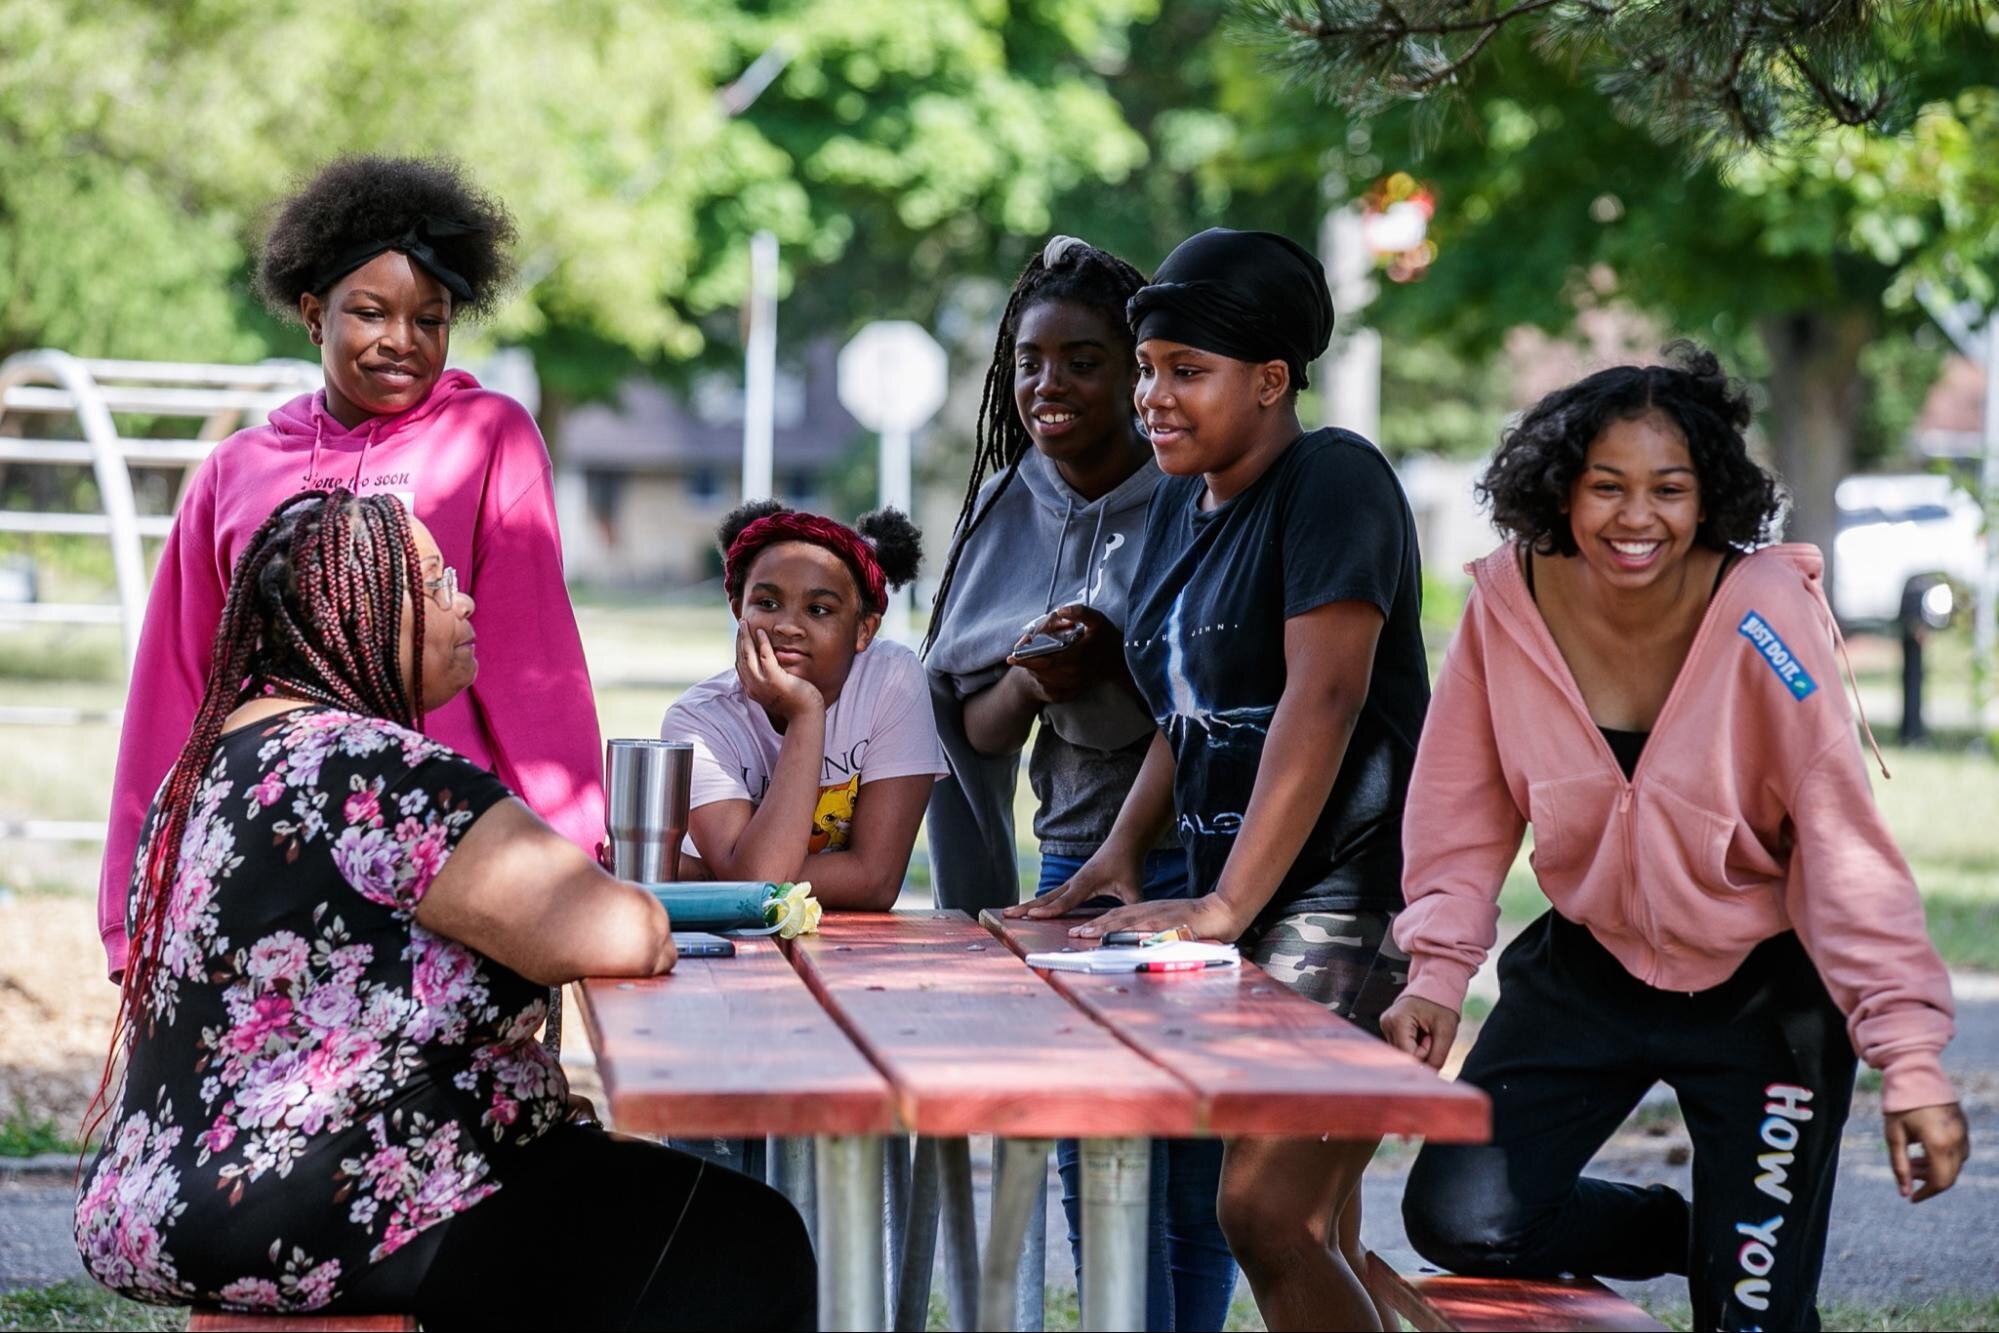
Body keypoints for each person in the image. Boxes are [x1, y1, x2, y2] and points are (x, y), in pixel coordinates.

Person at [74, 490, 815, 1331]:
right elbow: (626, 931)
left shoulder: (203, 764)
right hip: (331, 1206)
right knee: (749, 1238)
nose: (463, 600)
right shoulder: (377, 770)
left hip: (169, 1199)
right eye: (432, 582)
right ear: (363, 606)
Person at [1387, 344, 1970, 1331]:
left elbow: (1840, 842)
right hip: (1589, 968)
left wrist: (1907, 1056)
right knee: (1460, 1219)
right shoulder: (1506, 604)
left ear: (1710, 498)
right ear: (1560, 489)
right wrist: (1435, 972)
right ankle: (1678, 1234)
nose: (1635, 516)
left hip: (1764, 990)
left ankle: (1729, 1258)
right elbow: (1463, 808)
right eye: (1605, 486)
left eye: (1669, 488)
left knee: (1749, 1316)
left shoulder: (1765, 620)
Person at [1015, 227, 1430, 1332]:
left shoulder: (1333, 479)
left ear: (1271, 379)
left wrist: (1229, 902)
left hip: (1350, 900)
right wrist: (1116, 854)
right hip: (1243, 900)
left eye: (1184, 372)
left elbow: (1323, 697)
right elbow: (1187, 714)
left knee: (1264, 1211)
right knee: (1318, 1228)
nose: (1152, 396)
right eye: (1147, 368)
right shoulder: (1177, 505)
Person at [96, 155, 604, 982]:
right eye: (370, 312)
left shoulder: (491, 436)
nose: (401, 341)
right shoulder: (235, 469)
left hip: (453, 847)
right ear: (311, 313)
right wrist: (137, 907)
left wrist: (571, 861)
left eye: (431, 319)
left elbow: (532, 661)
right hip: (275, 847)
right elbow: (177, 681)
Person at [925, 235, 1235, 1330]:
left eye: (1084, 360)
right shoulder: (1011, 500)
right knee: (1096, 1161)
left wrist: (1119, 659)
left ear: (1138, 368)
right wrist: (1035, 673)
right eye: (1028, 362)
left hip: (1210, 863)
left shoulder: (1198, 493)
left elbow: (1239, 693)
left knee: (1197, 1180)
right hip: (1074, 865)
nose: (1048, 386)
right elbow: (971, 720)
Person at [661, 501, 944, 909]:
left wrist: (715, 874)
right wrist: (741, 876)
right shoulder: (699, 721)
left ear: (864, 629)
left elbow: (876, 882)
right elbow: (756, 883)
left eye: (818, 610)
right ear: (738, 608)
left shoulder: (891, 680)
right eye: (767, 604)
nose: (787, 626)